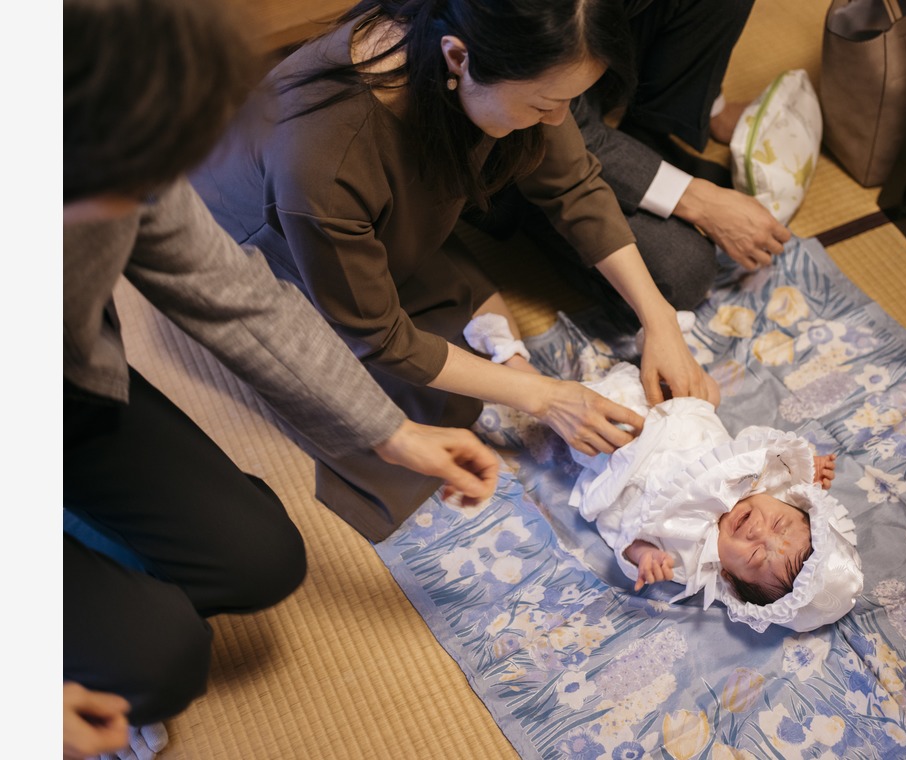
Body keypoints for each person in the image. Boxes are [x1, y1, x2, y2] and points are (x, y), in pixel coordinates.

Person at [62, 0, 499, 757]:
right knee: (159, 664)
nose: (153, 197)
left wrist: (391, 432)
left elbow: (238, 299)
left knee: (263, 558)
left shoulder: (114, 113)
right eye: (135, 186)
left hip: (68, 383)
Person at [192, 0, 720, 542]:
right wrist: (547, 397)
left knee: (483, 332)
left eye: (568, 101)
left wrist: (660, 320)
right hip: (265, 248)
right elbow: (379, 336)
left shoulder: (501, 50)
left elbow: (572, 183)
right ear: (459, 59)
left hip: (369, 213)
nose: (560, 119)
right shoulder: (325, 159)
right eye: (545, 104)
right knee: (432, 411)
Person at [469, 0, 794, 309]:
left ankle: (652, 138)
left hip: (567, 90)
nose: (557, 118)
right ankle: (532, 205)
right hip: (522, 134)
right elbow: (567, 153)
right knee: (683, 269)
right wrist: (698, 200)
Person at [568, 362, 864, 633]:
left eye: (755, 555)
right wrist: (807, 466)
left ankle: (529, 371)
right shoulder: (764, 482)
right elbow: (771, 448)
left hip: (621, 452)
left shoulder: (693, 559)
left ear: (729, 577)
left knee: (589, 414)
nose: (757, 531)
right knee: (706, 388)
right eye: (778, 524)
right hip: (681, 412)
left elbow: (631, 538)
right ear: (790, 503)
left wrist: (645, 555)